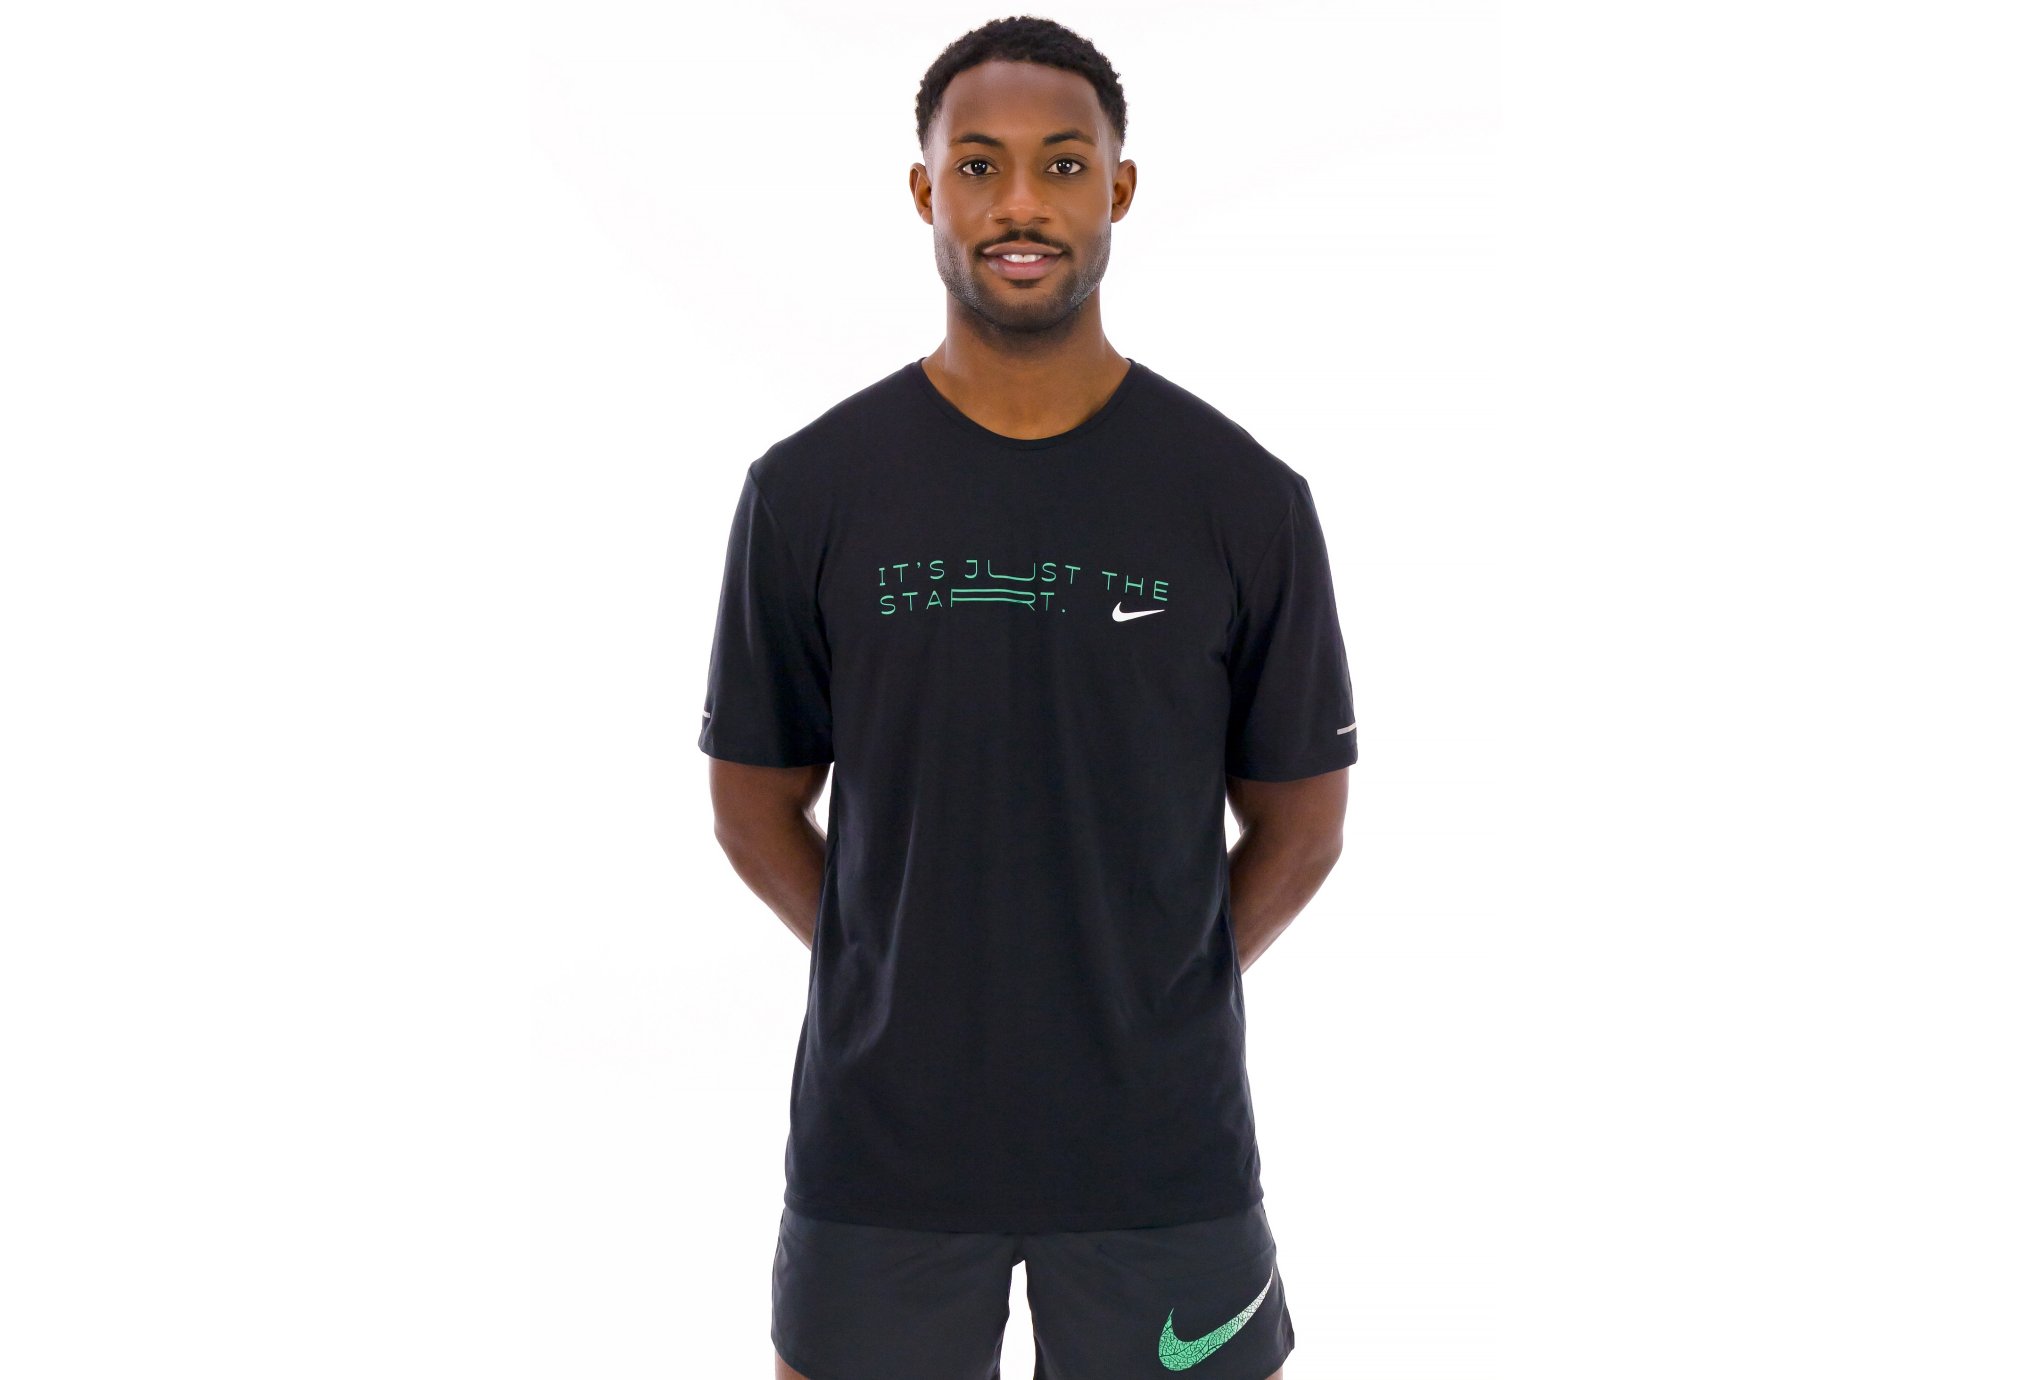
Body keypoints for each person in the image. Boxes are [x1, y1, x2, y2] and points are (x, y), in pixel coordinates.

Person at [698, 16, 1357, 1379]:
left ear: (1118, 187)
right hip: (881, 1154)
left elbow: (1302, 827)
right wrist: (897, 969)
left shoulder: (1241, 499)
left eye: (1062, 165)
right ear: (924, 190)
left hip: (1159, 1155)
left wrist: (1146, 990)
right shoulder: (808, 491)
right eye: (978, 165)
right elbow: (752, 806)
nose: (1019, 204)